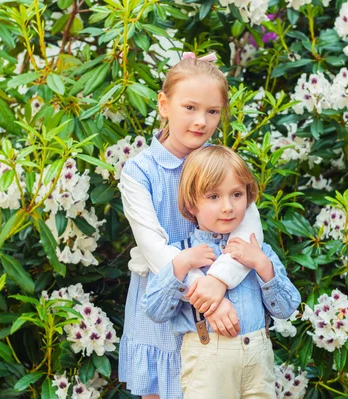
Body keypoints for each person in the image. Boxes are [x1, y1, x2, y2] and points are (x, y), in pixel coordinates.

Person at [117, 53, 263, 399]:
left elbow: (248, 231)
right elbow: (154, 248)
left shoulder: (221, 161)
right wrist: (205, 294)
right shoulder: (139, 172)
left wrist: (218, 282)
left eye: (213, 111)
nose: (201, 121)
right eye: (190, 108)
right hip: (166, 296)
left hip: (221, 292)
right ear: (164, 104)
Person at [143, 145, 301, 399]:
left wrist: (262, 266)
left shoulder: (257, 250)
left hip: (258, 360)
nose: (227, 206)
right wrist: (181, 265)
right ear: (192, 205)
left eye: (236, 194)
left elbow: (287, 307)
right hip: (208, 361)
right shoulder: (180, 253)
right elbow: (155, 311)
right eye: (214, 196)